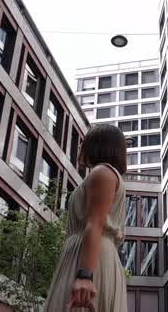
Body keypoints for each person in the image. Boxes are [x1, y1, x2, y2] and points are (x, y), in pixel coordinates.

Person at [45, 124, 128, 312]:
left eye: (85, 142)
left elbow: (95, 223)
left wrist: (85, 276)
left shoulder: (102, 173)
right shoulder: (104, 174)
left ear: (97, 145)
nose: (81, 146)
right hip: (88, 255)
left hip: (89, 259)